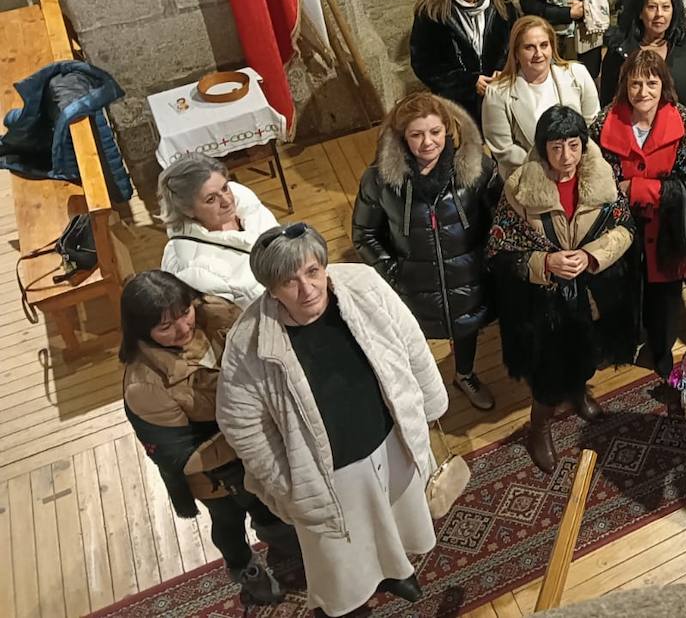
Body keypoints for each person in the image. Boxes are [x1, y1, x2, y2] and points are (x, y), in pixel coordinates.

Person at [217, 223, 448, 617]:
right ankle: (352, 602)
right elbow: (242, 424)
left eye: (312, 272)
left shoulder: (363, 284)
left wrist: (427, 406)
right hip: (325, 472)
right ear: (271, 289)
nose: (307, 289)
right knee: (342, 555)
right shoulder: (247, 342)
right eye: (290, 282)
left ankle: (396, 570)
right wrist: (284, 483)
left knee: (397, 516)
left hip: (389, 439)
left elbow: (410, 342)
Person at [120, 270, 292, 605]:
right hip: (215, 473)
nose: (183, 329)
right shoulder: (144, 384)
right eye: (165, 326)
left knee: (271, 504)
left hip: (261, 442)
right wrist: (251, 431)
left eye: (184, 313)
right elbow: (179, 457)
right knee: (228, 522)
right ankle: (245, 569)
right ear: (142, 330)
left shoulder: (218, 312)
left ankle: (281, 539)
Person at [485, 106, 638, 473]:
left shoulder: (603, 178)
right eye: (556, 147)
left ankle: (579, 390)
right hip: (543, 302)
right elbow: (500, 249)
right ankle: (539, 425)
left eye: (574, 145)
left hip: (591, 292)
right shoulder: (520, 189)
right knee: (547, 372)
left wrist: (590, 256)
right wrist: (545, 264)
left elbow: (625, 229)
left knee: (589, 352)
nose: (567, 157)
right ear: (542, 148)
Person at [352, 91, 503, 411]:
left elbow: (501, 220)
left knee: (466, 328)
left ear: (448, 130)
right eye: (416, 135)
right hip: (412, 282)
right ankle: (416, 389)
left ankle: (464, 374)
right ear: (401, 137)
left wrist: (487, 261)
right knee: (411, 340)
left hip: (468, 275)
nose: (427, 143)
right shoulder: (380, 181)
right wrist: (393, 272)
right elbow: (365, 234)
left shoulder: (476, 169)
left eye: (435, 132)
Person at [592, 50, 686, 380]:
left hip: (669, 229)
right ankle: (623, 344)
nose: (643, 91)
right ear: (624, 85)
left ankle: (661, 349)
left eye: (651, 83)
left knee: (665, 297)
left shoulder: (683, 120)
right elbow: (595, 179)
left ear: (664, 85)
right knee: (621, 290)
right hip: (620, 228)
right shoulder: (603, 122)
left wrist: (638, 189)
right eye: (635, 83)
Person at [409, 0, 518, 126]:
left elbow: (516, 45)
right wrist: (470, 82)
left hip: (502, 91)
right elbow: (424, 64)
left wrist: (505, 71)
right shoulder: (432, 12)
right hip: (458, 101)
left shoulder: (502, 6)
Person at [482, 15, 600, 180]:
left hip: (578, 172)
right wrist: (549, 166)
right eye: (529, 47)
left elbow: (592, 126)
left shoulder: (578, 74)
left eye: (544, 45)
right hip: (528, 177)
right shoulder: (497, 93)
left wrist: (572, 162)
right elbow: (503, 150)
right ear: (516, 53)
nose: (538, 53)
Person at [158, 154, 278, 309]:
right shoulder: (192, 267)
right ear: (187, 210)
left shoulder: (247, 204)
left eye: (225, 188)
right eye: (211, 199)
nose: (227, 201)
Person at [601, 0, 686, 113]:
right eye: (652, 7)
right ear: (640, 12)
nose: (659, 14)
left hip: (683, 128)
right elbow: (608, 101)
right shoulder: (621, 51)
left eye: (665, 7)